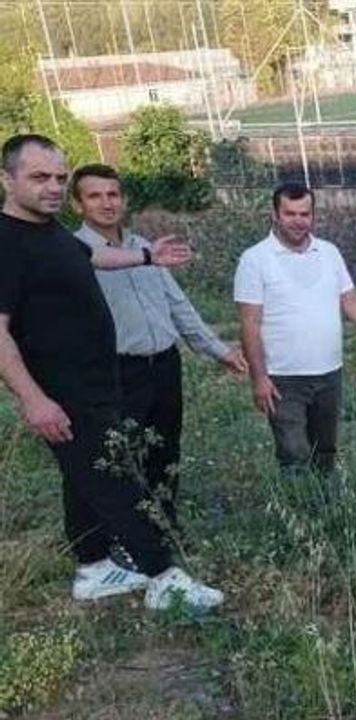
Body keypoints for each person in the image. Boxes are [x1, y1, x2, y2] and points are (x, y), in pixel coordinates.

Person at [0, 134, 223, 610]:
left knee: (85, 477)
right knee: (117, 480)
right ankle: (164, 578)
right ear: (7, 178)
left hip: (97, 383)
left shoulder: (49, 230)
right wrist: (33, 399)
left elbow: (92, 257)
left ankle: (95, 566)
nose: (54, 187)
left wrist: (146, 256)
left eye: (60, 177)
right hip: (64, 391)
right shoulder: (5, 242)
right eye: (40, 177)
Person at [70, 163, 248, 534]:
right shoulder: (74, 255)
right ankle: (126, 537)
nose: (106, 203)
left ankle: (165, 528)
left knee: (165, 449)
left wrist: (219, 350)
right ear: (77, 204)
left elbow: (178, 305)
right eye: (95, 196)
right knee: (121, 456)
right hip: (117, 372)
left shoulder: (145, 249)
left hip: (164, 366)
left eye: (113, 194)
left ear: (124, 199)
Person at [233, 182, 356, 475]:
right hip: (283, 379)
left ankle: (328, 516)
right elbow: (249, 323)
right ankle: (300, 514)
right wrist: (259, 378)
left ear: (313, 215)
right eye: (290, 213)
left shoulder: (329, 252)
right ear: (274, 214)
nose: (298, 221)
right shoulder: (254, 260)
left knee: (325, 453)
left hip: (329, 374)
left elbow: (350, 301)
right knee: (294, 456)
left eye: (304, 214)